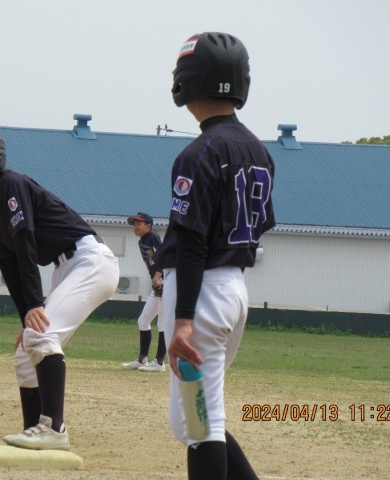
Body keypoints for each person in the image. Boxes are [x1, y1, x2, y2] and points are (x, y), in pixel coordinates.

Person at [0, 127, 119, 451]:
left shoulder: (11, 183)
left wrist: (36, 304)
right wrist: (27, 316)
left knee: (41, 335)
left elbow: (25, 243)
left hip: (90, 261)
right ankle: (33, 432)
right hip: (66, 268)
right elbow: (8, 264)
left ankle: (55, 429)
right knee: (26, 350)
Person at [157, 32, 275, 480]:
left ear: (190, 79)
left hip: (201, 293)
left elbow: (191, 242)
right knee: (203, 417)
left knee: (198, 423)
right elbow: (259, 225)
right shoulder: (259, 150)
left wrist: (184, 319)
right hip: (233, 289)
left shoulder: (200, 151)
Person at [121, 212, 166, 372]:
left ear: (148, 226)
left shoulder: (153, 237)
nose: (136, 226)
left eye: (139, 223)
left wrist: (157, 277)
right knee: (143, 321)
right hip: (158, 282)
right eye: (134, 224)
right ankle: (142, 360)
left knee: (163, 323)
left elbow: (165, 256)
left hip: (166, 281)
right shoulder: (142, 241)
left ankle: (159, 363)